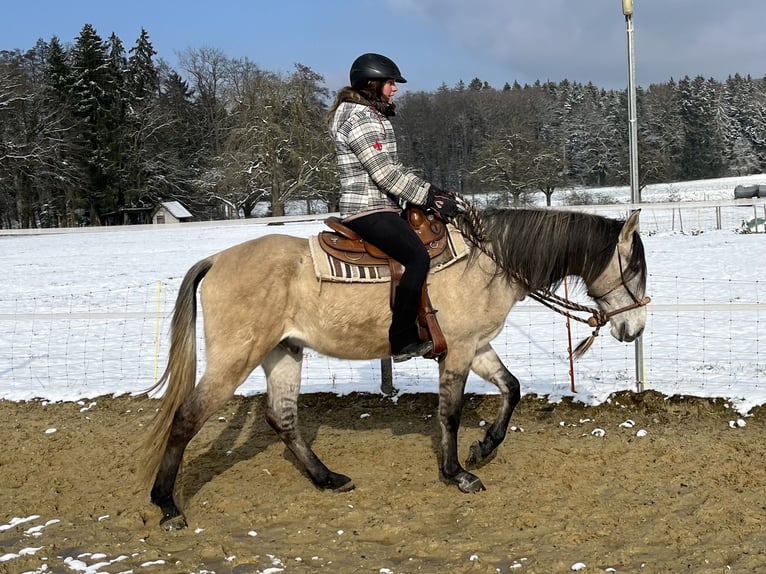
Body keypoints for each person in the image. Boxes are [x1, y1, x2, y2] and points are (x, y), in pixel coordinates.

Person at [327, 53, 464, 362]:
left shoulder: (369, 115)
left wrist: (433, 192)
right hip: (368, 208)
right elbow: (384, 173)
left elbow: (393, 168)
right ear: (371, 84)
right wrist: (429, 197)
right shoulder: (359, 118)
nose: (395, 89)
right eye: (390, 83)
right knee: (416, 257)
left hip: (381, 205)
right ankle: (402, 339)